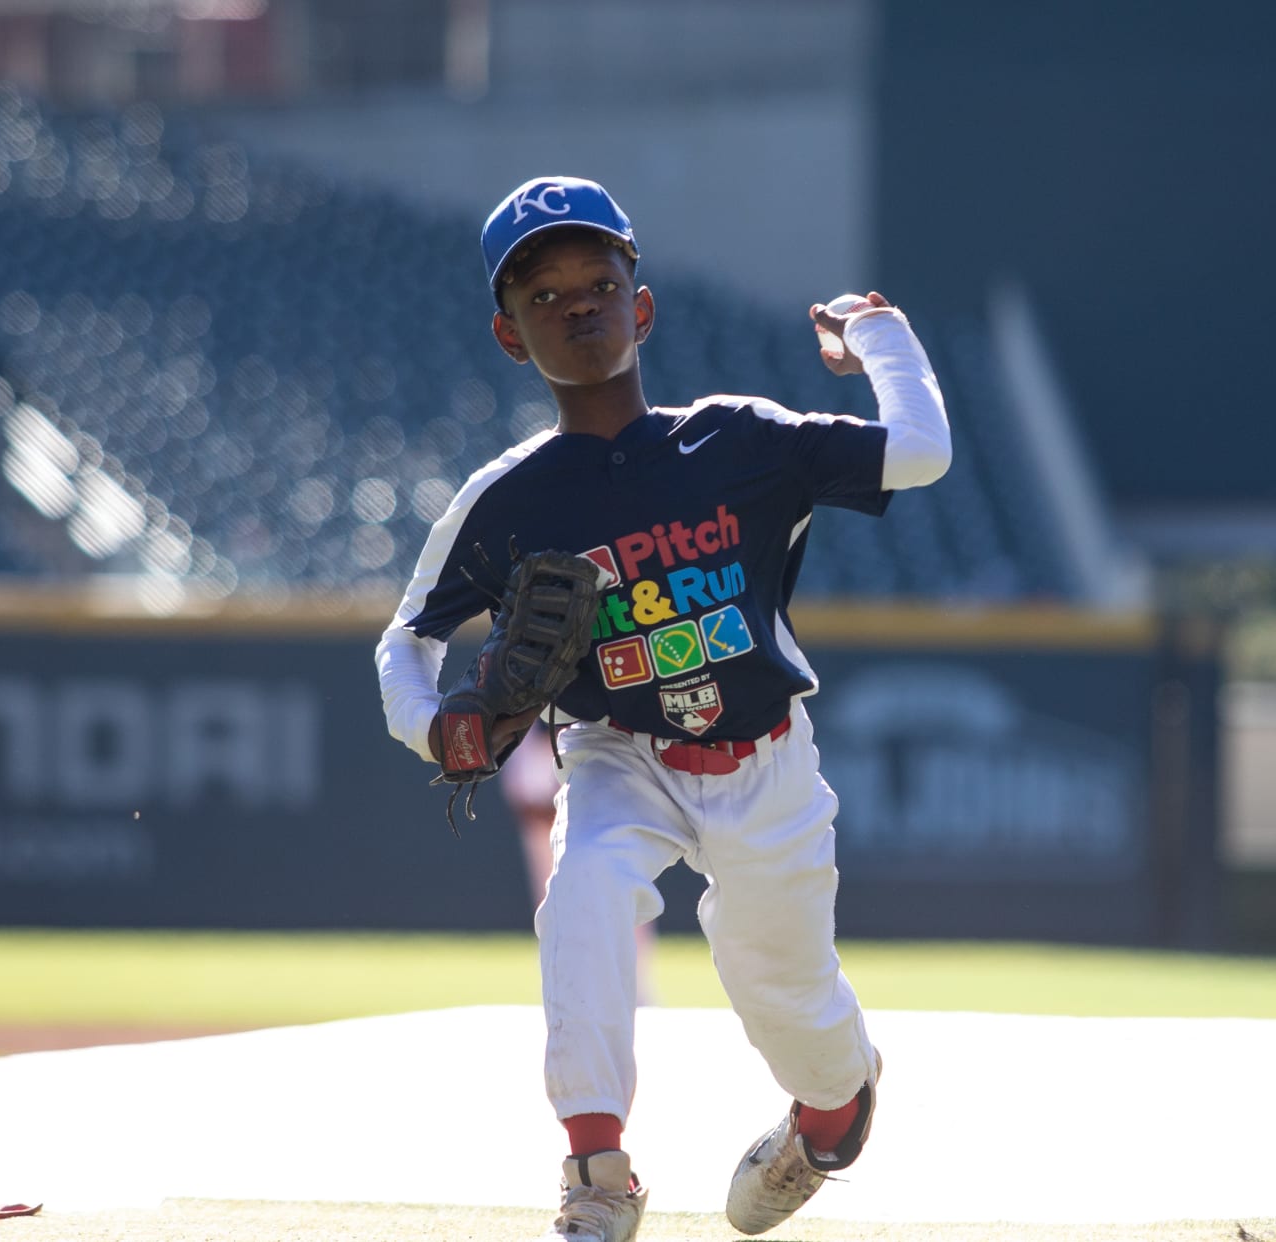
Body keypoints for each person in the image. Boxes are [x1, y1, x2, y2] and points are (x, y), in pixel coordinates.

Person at [373, 176, 951, 1242]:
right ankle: (597, 1171)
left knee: (784, 997)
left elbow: (919, 452)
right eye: (544, 295)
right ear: (510, 335)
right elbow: (403, 640)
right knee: (582, 898)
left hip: (765, 761)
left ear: (642, 306)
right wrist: (435, 724)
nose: (578, 305)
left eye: (599, 283)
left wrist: (881, 334)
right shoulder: (505, 498)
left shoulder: (740, 440)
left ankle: (830, 1117)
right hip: (615, 751)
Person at [500, 721, 656, 1007]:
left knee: (620, 883)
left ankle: (631, 988)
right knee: (555, 894)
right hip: (548, 750)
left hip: (591, 747)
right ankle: (568, 989)